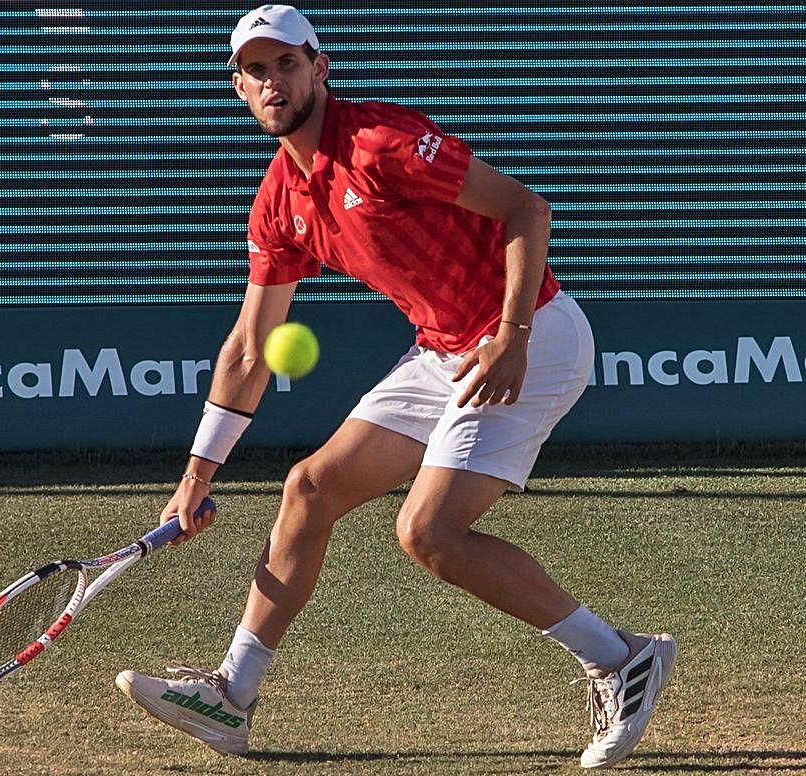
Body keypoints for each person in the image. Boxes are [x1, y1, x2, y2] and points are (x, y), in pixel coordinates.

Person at [115, 4, 676, 769]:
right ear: (239, 88)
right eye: (257, 70)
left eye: (288, 64)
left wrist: (511, 335)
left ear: (320, 67)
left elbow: (524, 208)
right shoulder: (279, 201)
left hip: (531, 334)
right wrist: (194, 479)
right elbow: (248, 347)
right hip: (441, 350)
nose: (274, 81)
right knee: (310, 487)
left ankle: (618, 659)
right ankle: (230, 698)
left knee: (428, 533)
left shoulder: (381, 143)